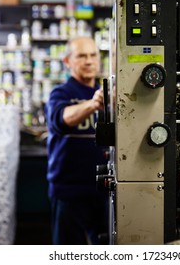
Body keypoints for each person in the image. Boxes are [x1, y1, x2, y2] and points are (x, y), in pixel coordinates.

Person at [45, 36, 108, 245]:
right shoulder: (61, 93)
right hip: (69, 192)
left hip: (103, 190)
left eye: (93, 55)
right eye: (81, 56)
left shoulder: (108, 93)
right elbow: (60, 120)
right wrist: (92, 104)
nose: (89, 61)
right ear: (68, 61)